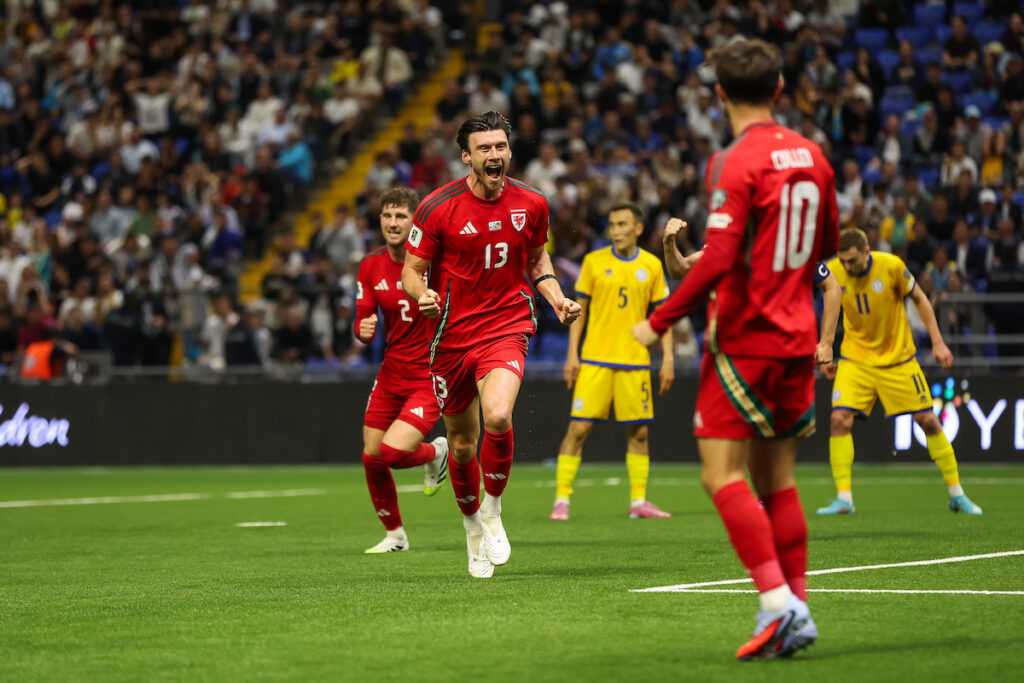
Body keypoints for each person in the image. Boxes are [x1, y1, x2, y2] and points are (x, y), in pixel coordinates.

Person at [631, 39, 839, 661]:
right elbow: (823, 243)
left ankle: (778, 604)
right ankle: (795, 608)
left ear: (719, 94)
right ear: (778, 90)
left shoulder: (732, 160)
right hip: (798, 338)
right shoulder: (815, 156)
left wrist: (661, 319)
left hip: (746, 339)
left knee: (720, 474)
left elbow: (721, 255)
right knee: (778, 480)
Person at [402, 111, 581, 579]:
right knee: (462, 445)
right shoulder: (437, 207)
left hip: (506, 324)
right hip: (449, 337)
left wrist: (557, 297)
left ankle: (494, 509)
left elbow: (538, 258)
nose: (494, 155)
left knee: (498, 415)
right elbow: (411, 269)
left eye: (500, 146)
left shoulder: (532, 203)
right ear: (467, 157)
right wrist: (421, 294)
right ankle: (471, 528)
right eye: (484, 149)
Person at [818, 228, 983, 517]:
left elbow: (920, 299)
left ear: (867, 251)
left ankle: (957, 494)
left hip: (898, 359)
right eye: (843, 261)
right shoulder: (833, 271)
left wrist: (938, 341)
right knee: (838, 419)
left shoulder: (892, 266)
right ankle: (844, 498)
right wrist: (827, 347)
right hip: (856, 359)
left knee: (928, 420)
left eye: (852, 261)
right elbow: (829, 307)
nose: (846, 267)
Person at [550, 202, 675, 522]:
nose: (615, 230)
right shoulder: (593, 262)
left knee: (640, 434)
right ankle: (562, 499)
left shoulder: (652, 265)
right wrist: (571, 355)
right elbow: (580, 312)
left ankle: (638, 502)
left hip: (635, 361)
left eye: (622, 224)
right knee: (578, 428)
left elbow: (663, 316)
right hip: (595, 359)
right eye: (612, 224)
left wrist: (669, 359)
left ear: (638, 229)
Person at [356, 186, 449, 554]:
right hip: (391, 374)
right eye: (387, 216)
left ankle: (435, 453)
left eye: (401, 216)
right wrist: (361, 330)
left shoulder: (434, 261)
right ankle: (395, 536)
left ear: (414, 222)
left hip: (428, 375)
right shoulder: (370, 265)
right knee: (371, 456)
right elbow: (363, 320)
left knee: (392, 455)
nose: (393, 223)